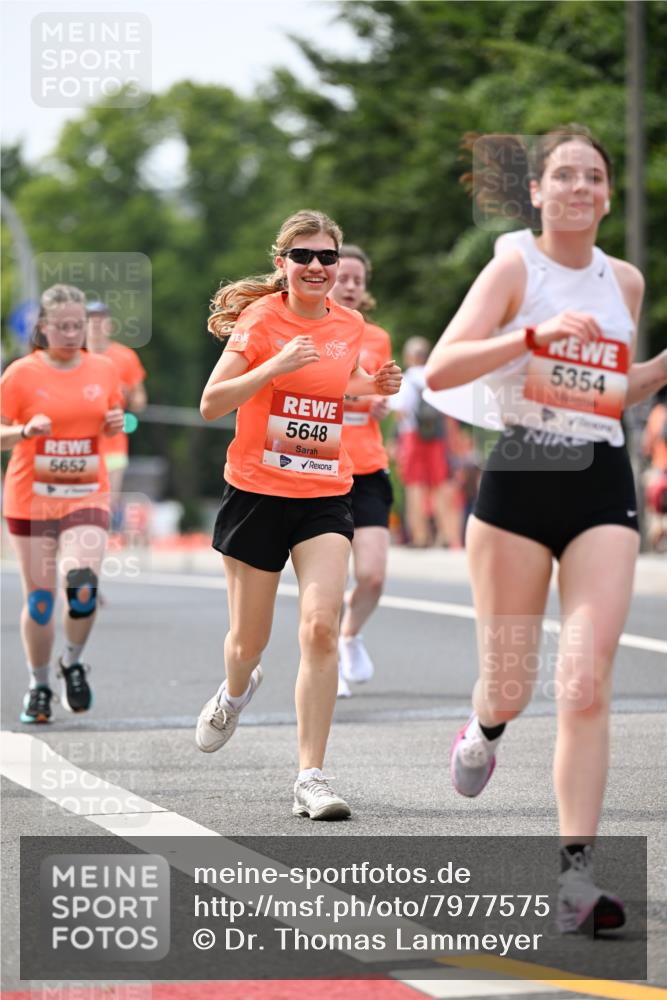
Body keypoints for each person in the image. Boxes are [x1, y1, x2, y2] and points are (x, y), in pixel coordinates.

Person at [425, 125, 667, 934]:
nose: (578, 187)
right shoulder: (512, 267)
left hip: (599, 478)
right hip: (520, 475)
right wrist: (534, 336)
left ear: (607, 195)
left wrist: (660, 370)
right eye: (562, 175)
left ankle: (576, 880)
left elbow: (610, 391)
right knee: (510, 685)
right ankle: (484, 729)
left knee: (585, 681)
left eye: (592, 176)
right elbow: (442, 368)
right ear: (534, 192)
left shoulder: (623, 281)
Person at [195, 210, 401, 820]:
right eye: (303, 256)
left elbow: (343, 379)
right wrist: (273, 366)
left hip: (324, 493)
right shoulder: (261, 320)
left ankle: (310, 777)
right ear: (282, 263)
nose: (316, 266)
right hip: (257, 493)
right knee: (247, 643)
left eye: (327, 257)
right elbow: (211, 403)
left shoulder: (351, 324)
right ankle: (235, 693)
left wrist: (376, 383)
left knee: (319, 628)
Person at [1, 284, 124, 723]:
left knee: (82, 584)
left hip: (85, 493)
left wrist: (115, 422)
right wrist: (24, 432)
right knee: (39, 601)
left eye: (78, 326)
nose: (72, 334)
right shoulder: (21, 374)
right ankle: (39, 686)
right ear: (43, 327)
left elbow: (114, 419)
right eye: (63, 327)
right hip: (30, 498)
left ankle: (71, 662)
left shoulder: (103, 369)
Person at [330, 244, 394, 698]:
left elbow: (379, 391)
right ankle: (327, 660)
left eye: (358, 280)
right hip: (322, 467)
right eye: (344, 278)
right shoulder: (310, 333)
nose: (351, 286)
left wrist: (382, 402)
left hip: (368, 466)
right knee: (330, 580)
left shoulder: (377, 338)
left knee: (372, 576)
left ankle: (349, 635)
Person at [391, 337, 458, 546]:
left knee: (414, 486)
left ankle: (420, 536)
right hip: (436, 438)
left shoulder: (405, 380)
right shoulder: (435, 378)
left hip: (412, 437)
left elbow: (400, 412)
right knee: (439, 485)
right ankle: (445, 534)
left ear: (408, 357)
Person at [86, 300, 147, 528]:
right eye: (91, 320)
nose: (95, 325)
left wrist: (128, 393)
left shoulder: (125, 357)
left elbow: (140, 401)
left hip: (114, 441)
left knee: (108, 502)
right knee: (83, 501)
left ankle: (101, 539)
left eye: (100, 320)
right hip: (81, 441)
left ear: (109, 325)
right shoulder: (75, 356)